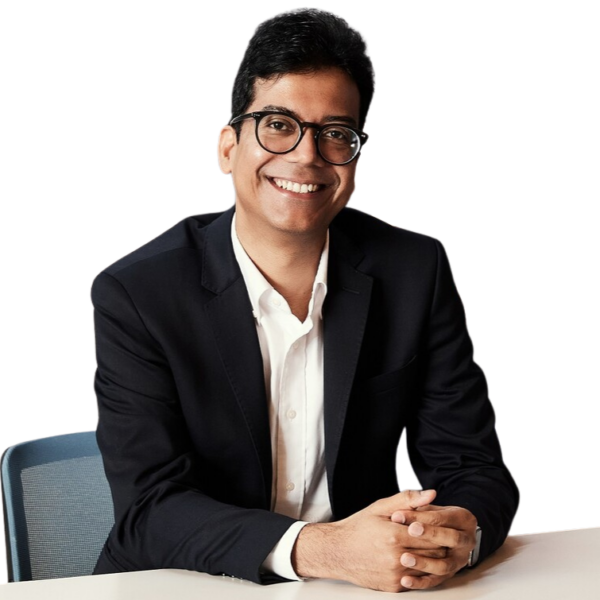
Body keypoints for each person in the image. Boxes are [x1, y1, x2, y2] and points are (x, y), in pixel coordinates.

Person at [92, 8, 518, 593]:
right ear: (228, 146)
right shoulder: (139, 294)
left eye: (336, 133)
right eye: (278, 124)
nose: (307, 155)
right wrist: (323, 548)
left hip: (356, 588)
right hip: (185, 584)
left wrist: (454, 537)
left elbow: (473, 468)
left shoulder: (413, 272)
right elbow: (149, 509)